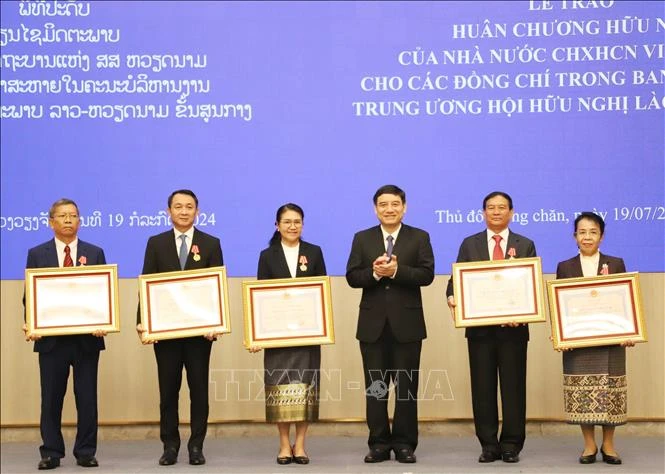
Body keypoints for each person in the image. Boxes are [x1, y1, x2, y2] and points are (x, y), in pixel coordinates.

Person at [346, 184, 435, 464]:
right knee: (376, 389)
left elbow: (427, 274)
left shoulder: (419, 237)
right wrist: (373, 273)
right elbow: (352, 276)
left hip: (407, 325)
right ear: (375, 209)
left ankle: (405, 444)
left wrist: (397, 271)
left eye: (395, 204)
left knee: (406, 388)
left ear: (404, 207)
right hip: (372, 327)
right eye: (383, 204)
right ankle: (379, 444)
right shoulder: (362, 238)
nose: (389, 209)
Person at [446, 191, 536, 464]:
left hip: (514, 330)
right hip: (480, 331)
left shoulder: (525, 244)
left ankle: (511, 444)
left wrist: (522, 310)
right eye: (491, 208)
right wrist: (451, 296)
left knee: (513, 388)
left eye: (502, 208)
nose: (496, 212)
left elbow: (529, 284)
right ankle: (488, 444)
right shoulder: (469, 244)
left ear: (512, 212)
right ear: (483, 213)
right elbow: (455, 281)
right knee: (482, 388)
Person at [136, 189, 223, 467]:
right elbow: (146, 283)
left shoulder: (211, 243)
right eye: (178, 206)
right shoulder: (156, 243)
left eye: (189, 207)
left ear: (197, 211)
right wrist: (144, 322)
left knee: (198, 390)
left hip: (200, 333)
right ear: (168, 211)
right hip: (166, 332)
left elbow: (216, 288)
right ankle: (170, 446)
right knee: (168, 390)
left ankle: (196, 446)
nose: (183, 211)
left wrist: (216, 322)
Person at [23, 198, 107, 470]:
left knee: (87, 398)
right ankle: (50, 452)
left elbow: (102, 296)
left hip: (86, 340)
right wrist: (32, 324)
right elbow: (30, 298)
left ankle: (85, 451)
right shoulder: (37, 254)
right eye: (62, 216)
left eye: (73, 215)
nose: (68, 220)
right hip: (51, 342)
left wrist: (103, 320)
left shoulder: (95, 253)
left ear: (80, 220)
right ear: (51, 222)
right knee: (51, 399)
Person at [248, 203, 326, 465]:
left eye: (297, 222)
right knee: (279, 389)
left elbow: (321, 293)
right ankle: (283, 445)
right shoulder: (267, 256)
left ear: (303, 225)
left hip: (307, 334)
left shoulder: (314, 253)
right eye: (287, 222)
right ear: (277, 225)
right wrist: (258, 335)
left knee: (305, 389)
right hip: (277, 336)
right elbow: (261, 298)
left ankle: (301, 445)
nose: (292, 226)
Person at [555, 212, 632, 465]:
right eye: (582, 232)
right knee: (583, 392)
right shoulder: (565, 267)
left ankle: (609, 445)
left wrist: (629, 331)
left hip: (611, 341)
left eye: (593, 232)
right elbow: (560, 307)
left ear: (601, 235)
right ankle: (589, 445)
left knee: (611, 391)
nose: (587, 237)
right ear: (574, 236)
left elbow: (625, 302)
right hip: (578, 343)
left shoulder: (616, 263)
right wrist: (559, 333)